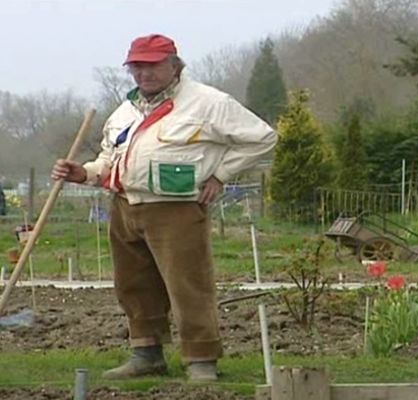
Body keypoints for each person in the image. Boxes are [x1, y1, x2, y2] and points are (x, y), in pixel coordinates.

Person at [51, 34, 277, 382]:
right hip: (125, 205)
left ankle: (201, 359)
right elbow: (109, 159)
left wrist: (220, 174)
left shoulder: (208, 102)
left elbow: (262, 137)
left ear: (174, 64)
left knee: (188, 285)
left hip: (176, 210)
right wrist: (83, 173)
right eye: (137, 66)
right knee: (133, 284)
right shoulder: (125, 111)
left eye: (152, 65)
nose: (144, 73)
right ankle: (146, 353)